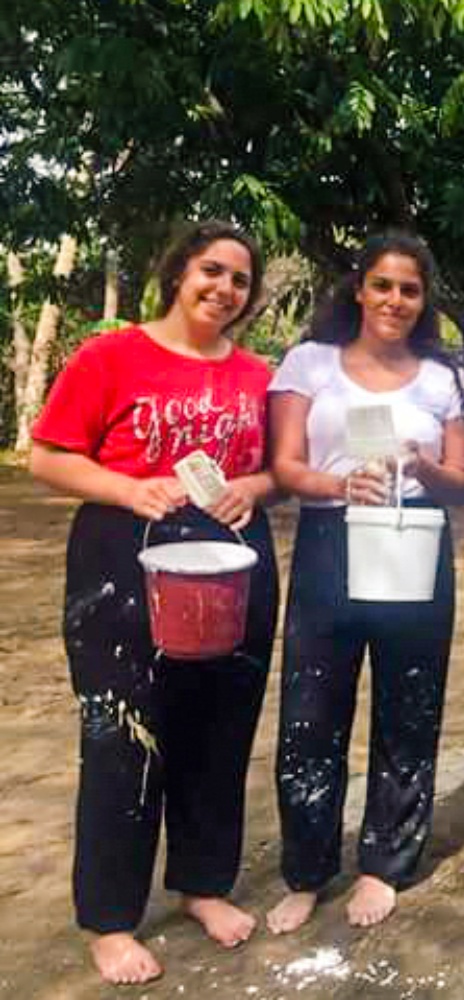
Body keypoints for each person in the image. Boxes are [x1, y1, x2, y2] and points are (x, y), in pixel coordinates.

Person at [28, 221, 280, 985]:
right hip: (121, 551)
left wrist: (254, 486)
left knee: (221, 725)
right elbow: (47, 457)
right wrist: (128, 488)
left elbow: (282, 469)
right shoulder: (110, 356)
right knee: (124, 734)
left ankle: (203, 883)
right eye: (212, 270)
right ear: (178, 273)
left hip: (232, 556)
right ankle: (109, 919)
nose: (224, 289)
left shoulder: (258, 376)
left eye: (240, 279)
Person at [265, 232, 464, 935]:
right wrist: (339, 484)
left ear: (424, 300)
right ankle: (306, 871)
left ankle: (385, 862)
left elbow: (461, 484)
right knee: (311, 710)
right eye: (382, 285)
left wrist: (424, 467)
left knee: (409, 706)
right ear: (358, 288)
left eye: (409, 290)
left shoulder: (445, 377)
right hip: (331, 539)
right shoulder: (309, 363)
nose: (395, 300)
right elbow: (286, 466)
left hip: (414, 537)